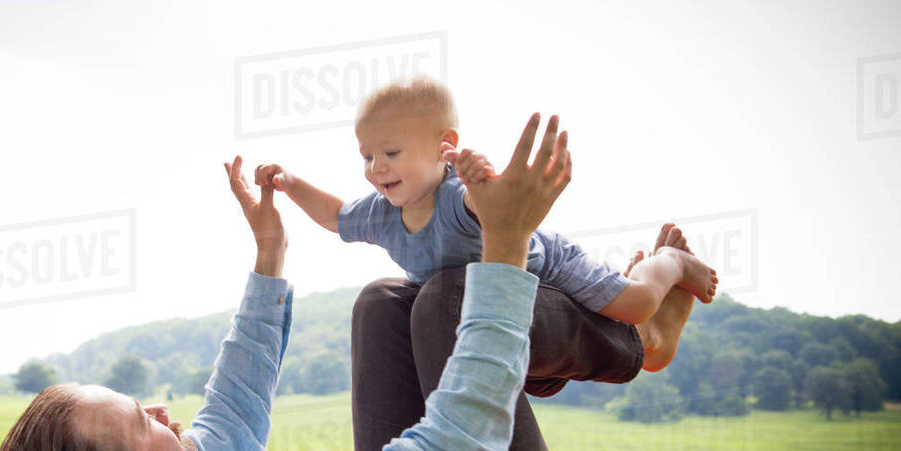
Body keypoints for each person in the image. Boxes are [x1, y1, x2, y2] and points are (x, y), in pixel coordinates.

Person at [0, 115, 658, 451]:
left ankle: (626, 331)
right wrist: (507, 240)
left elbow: (231, 416)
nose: (164, 411)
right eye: (141, 421)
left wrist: (270, 256)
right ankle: (636, 337)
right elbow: (454, 450)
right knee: (452, 300)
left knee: (386, 304)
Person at [253, 76, 715, 372]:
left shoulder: (455, 194)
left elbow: (487, 206)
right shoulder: (381, 213)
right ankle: (645, 309)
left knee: (632, 306)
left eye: (391, 153)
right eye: (367, 156)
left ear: (444, 146)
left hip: (545, 265)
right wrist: (291, 185)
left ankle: (668, 266)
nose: (377, 168)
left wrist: (478, 179)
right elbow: (335, 217)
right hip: (483, 301)